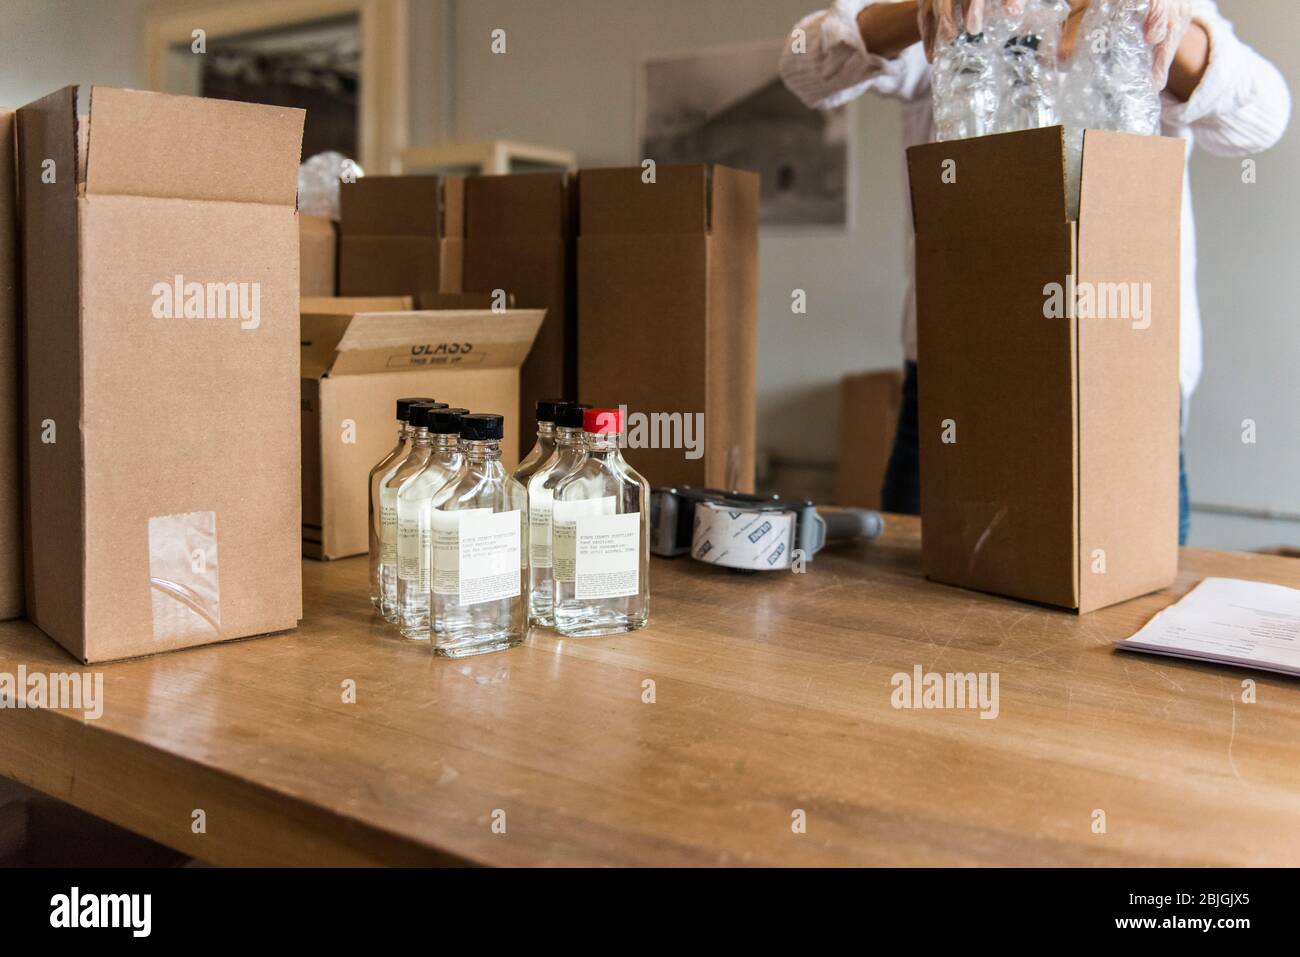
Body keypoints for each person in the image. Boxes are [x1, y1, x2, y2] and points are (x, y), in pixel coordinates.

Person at [779, 0, 1290, 544]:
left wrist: (1167, 25)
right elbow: (804, 66)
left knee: (1126, 605)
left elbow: (1262, 117)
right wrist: (923, 10)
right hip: (959, 377)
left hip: (1126, 380)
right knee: (926, 609)